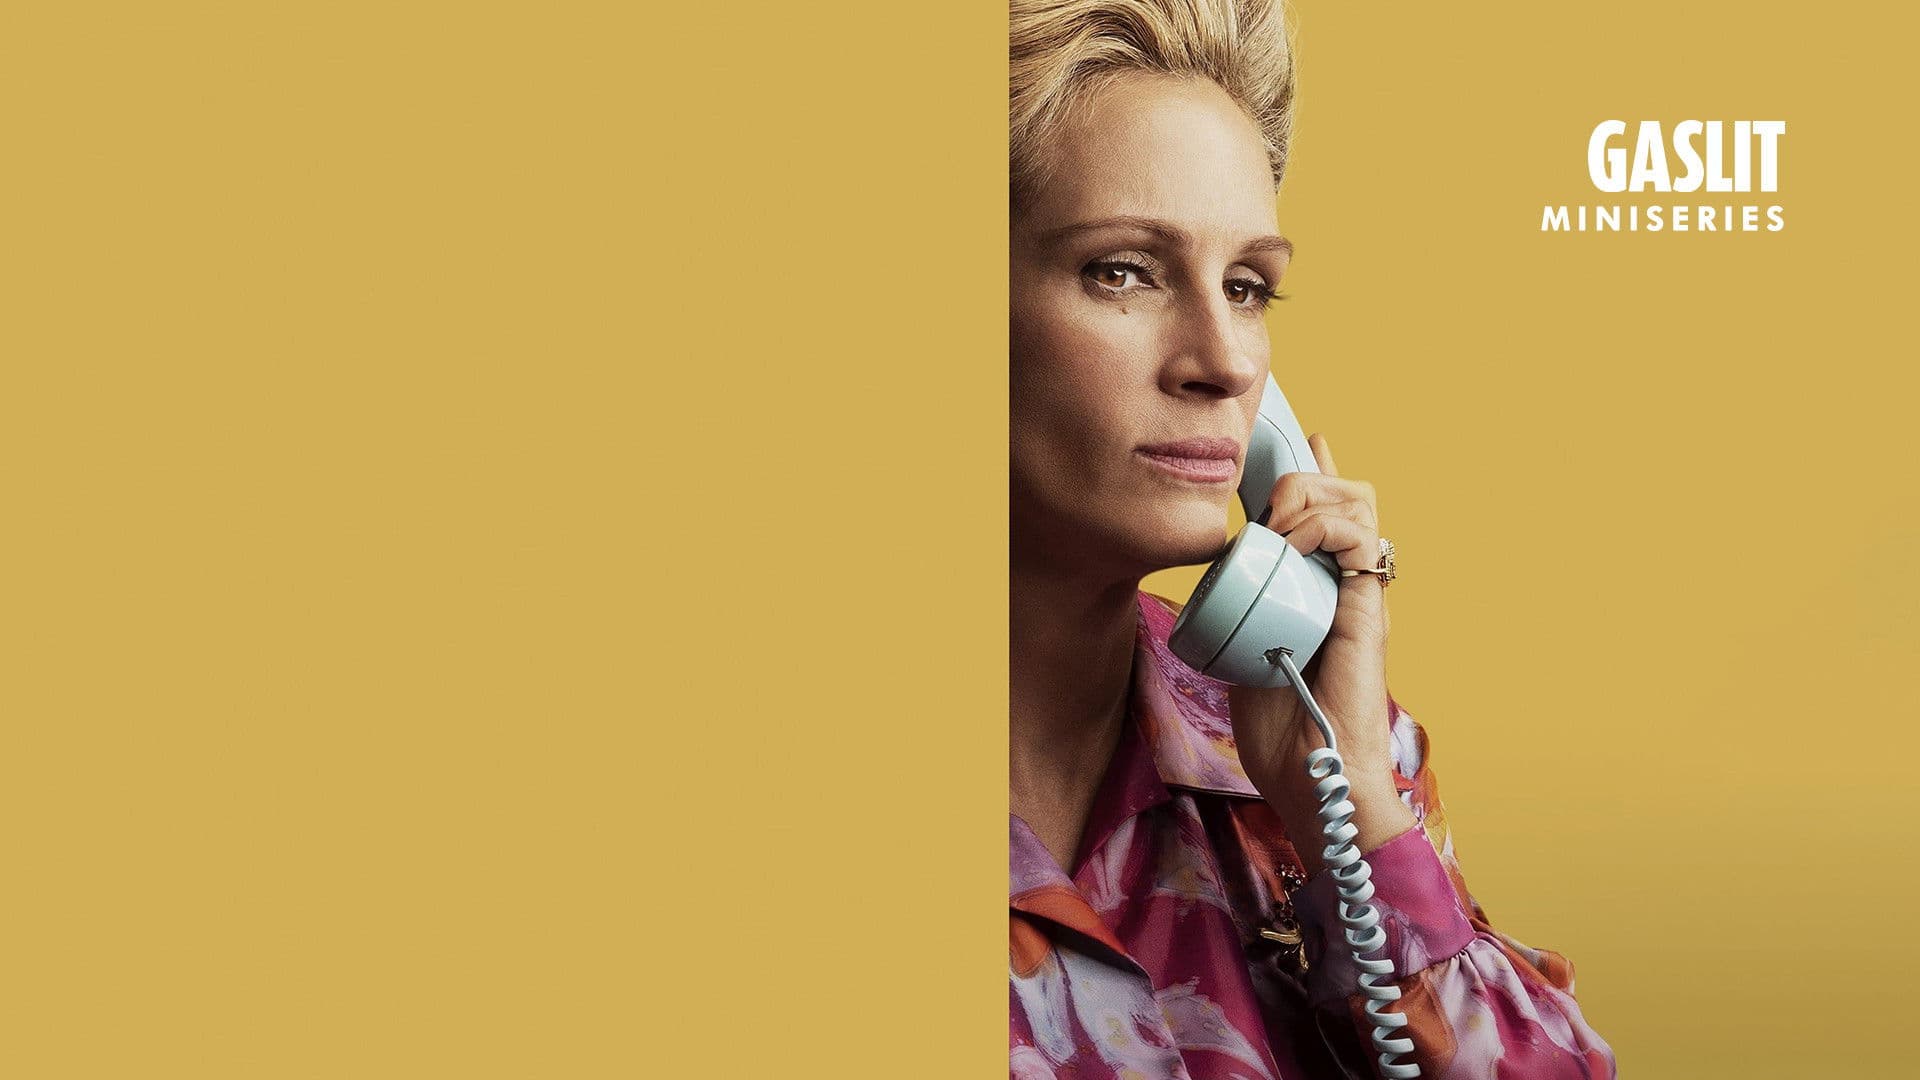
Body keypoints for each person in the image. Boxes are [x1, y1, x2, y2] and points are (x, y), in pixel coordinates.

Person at [1008, 1, 1619, 1076]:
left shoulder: (1318, 746)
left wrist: (1354, 811)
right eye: (1124, 270)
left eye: (1247, 288)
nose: (1227, 362)